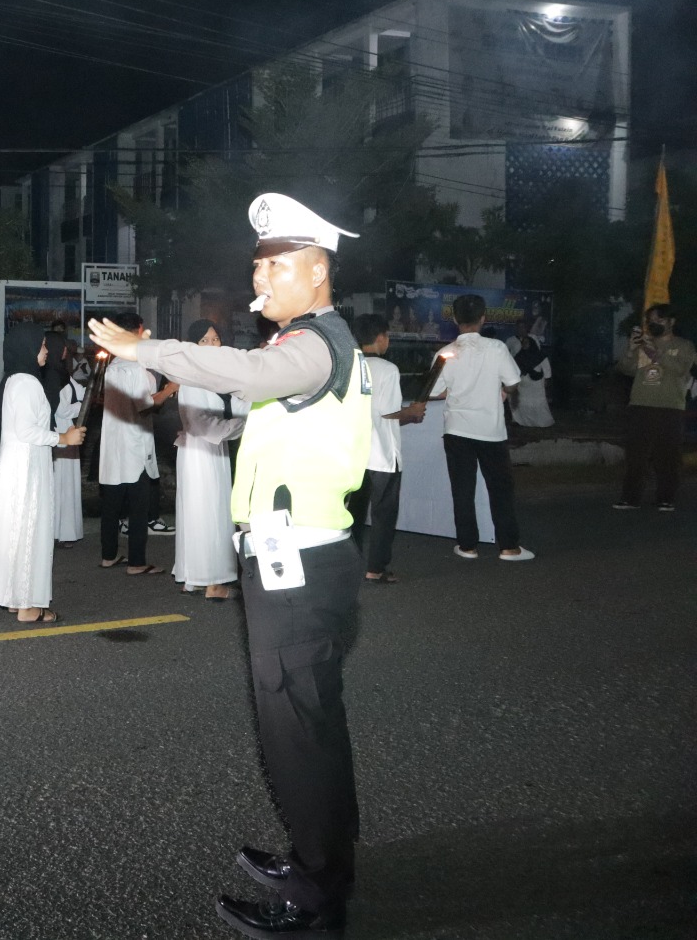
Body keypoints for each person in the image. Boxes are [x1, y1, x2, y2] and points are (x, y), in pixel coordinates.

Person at [90, 192, 373, 940]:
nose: (261, 284)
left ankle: (317, 901)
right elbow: (271, 413)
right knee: (307, 725)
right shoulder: (314, 348)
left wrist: (141, 350)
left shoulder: (313, 343)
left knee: (297, 730)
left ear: (317, 272)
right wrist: (214, 424)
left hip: (301, 564)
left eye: (275, 268)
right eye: (259, 270)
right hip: (301, 558)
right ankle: (321, 860)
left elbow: (246, 372)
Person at [0, 324, 86, 623]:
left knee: (16, 530)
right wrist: (63, 439)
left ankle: (16, 596)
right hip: (26, 465)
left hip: (18, 463)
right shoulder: (27, 382)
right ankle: (28, 605)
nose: (47, 351)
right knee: (30, 531)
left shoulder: (16, 379)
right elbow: (27, 430)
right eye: (41, 346)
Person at [430, 294, 533, 562]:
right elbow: (513, 382)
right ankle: (508, 547)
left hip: (457, 430)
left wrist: (458, 390)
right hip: (490, 430)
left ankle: (467, 546)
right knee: (500, 488)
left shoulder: (445, 354)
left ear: (454, 319)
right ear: (483, 318)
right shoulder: (497, 348)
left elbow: (435, 391)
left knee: (462, 489)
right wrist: (502, 391)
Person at [170, 321, 248, 600]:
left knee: (204, 511)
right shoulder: (192, 378)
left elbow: (238, 406)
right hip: (201, 452)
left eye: (216, 339)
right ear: (194, 346)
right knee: (207, 512)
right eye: (205, 340)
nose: (213, 344)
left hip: (213, 450)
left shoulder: (216, 377)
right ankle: (212, 582)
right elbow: (202, 424)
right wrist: (243, 427)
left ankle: (194, 577)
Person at [346, 314, 424, 583]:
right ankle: (376, 568)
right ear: (380, 338)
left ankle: (351, 563)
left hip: (355, 454)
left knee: (354, 512)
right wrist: (412, 411)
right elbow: (389, 412)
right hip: (382, 455)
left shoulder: (348, 366)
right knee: (383, 514)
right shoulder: (388, 369)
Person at [97, 313, 175, 576]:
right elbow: (146, 405)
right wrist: (169, 389)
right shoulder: (134, 369)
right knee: (138, 507)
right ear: (135, 333)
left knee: (112, 505)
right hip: (134, 447)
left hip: (113, 447)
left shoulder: (112, 367)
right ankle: (136, 562)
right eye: (142, 332)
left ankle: (108, 555)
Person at [614, 303, 696, 511]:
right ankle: (630, 498)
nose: (654, 324)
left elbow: (680, 369)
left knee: (668, 456)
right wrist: (632, 350)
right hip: (640, 405)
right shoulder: (643, 346)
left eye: (659, 320)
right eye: (651, 322)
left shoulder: (684, 345)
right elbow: (625, 369)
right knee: (636, 455)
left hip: (670, 407)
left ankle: (665, 498)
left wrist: (655, 351)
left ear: (671, 322)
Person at [44, 333, 85, 547]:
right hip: (61, 431)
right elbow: (61, 409)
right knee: (60, 483)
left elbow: (78, 392)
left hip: (68, 429)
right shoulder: (52, 375)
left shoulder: (61, 373)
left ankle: (65, 530)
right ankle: (58, 531)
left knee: (66, 482)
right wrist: (83, 404)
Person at [507, 320, 555, 429]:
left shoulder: (538, 354)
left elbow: (545, 365)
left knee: (539, 402)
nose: (525, 345)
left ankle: (543, 422)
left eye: (527, 343)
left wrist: (547, 378)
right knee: (522, 403)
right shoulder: (516, 351)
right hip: (523, 383)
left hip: (536, 383)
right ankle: (521, 421)